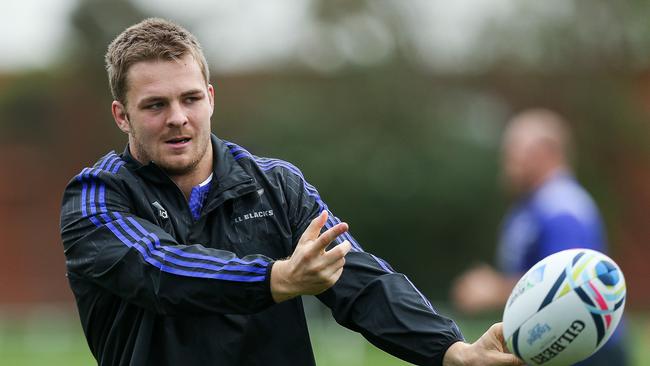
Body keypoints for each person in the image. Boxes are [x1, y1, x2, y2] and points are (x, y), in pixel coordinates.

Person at [60, 18, 523, 366]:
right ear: (122, 116)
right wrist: (276, 279)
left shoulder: (276, 186)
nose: (178, 117)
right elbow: (161, 270)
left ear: (211, 97)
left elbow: (360, 281)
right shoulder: (95, 198)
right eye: (156, 105)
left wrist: (449, 348)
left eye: (190, 98)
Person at [451, 109, 627, 365]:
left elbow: (572, 285)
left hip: (586, 351)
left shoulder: (563, 209)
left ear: (545, 153)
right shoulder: (532, 204)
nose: (506, 163)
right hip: (561, 342)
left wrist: (493, 289)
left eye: (514, 152)